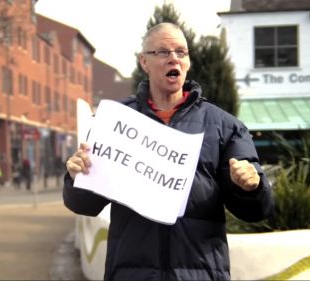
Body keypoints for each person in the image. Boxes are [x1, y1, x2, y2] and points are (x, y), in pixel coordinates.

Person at [63, 23, 274, 281]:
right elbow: (84, 204)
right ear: (144, 62)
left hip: (201, 275)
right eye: (162, 52)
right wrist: (76, 176)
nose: (174, 58)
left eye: (181, 52)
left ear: (187, 63)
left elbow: (257, 211)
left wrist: (251, 187)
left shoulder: (225, 127)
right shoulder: (114, 123)